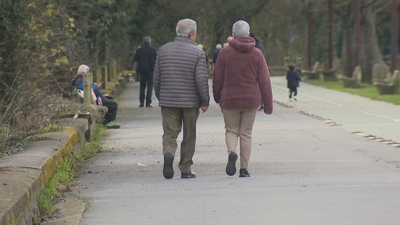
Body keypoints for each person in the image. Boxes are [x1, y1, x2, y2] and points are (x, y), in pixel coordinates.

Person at [213, 20, 273, 178]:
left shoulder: (224, 53)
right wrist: (268, 105)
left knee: (231, 130)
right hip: (250, 99)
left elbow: (217, 77)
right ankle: (244, 169)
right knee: (246, 133)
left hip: (229, 99)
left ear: (233, 34)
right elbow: (265, 81)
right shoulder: (257, 54)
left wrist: (217, 96)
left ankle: (232, 152)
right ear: (248, 34)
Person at [154, 18, 210, 179]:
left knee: (170, 132)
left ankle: (168, 153)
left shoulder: (163, 50)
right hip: (190, 102)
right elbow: (201, 79)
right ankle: (185, 168)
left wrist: (160, 96)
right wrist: (204, 101)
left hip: (168, 100)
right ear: (192, 35)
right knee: (189, 134)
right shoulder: (198, 53)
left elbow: (156, 78)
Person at [72, 64, 121, 129]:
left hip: (98, 98)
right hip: (97, 100)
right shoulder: (80, 80)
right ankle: (110, 121)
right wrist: (96, 86)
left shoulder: (80, 79)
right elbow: (85, 87)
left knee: (110, 99)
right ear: (83, 73)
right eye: (87, 71)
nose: (89, 73)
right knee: (113, 104)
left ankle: (107, 121)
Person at [133, 36, 158, 108]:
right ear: (150, 42)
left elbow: (135, 58)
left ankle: (141, 102)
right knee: (150, 86)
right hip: (151, 70)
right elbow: (158, 59)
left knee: (142, 86)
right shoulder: (154, 50)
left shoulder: (139, 50)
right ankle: (148, 102)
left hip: (142, 70)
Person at [250, 32, 267, 111]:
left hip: (258, 69)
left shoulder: (259, 47)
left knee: (261, 86)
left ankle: (263, 102)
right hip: (252, 69)